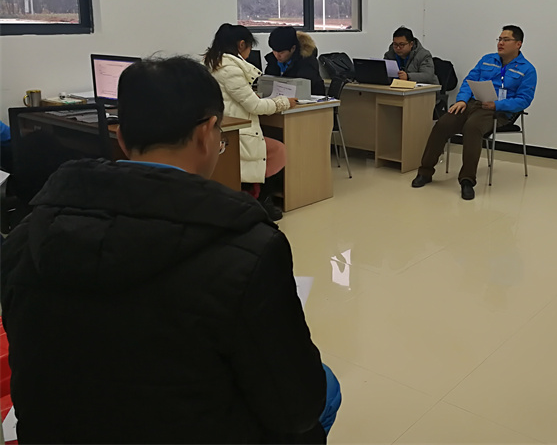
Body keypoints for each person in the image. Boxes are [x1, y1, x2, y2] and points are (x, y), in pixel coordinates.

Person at [0, 56, 341, 443]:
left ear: (122, 139)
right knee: (326, 391)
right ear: (207, 133)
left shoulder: (24, 237)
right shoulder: (249, 251)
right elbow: (297, 407)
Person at [411, 25, 536, 200]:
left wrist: (497, 105)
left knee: (472, 127)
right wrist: (462, 100)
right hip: (472, 103)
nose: (500, 43)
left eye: (506, 40)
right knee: (443, 123)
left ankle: (467, 180)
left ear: (518, 44)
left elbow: (524, 100)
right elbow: (469, 81)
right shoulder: (487, 60)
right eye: (499, 39)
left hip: (499, 111)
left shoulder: (527, 70)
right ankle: (425, 172)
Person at [204, 23, 291, 221]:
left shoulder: (213, 63)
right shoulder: (230, 69)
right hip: (237, 132)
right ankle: (263, 200)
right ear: (241, 44)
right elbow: (256, 107)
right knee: (277, 150)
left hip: (224, 127)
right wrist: (284, 102)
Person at [264, 26, 325, 95]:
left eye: (282, 52)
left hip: (309, 99)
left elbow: (302, 88)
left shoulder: (307, 62)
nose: (277, 55)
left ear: (293, 48)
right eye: (274, 51)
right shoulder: (272, 59)